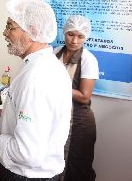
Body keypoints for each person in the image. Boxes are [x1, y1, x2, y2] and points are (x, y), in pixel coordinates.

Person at [0, 0, 72, 180]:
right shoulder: (48, 65)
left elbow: (27, 153)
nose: (4, 33)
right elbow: (40, 119)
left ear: (32, 31)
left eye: (10, 27)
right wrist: (3, 114)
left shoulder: (35, 78)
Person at [54, 15, 99, 181]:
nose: (74, 40)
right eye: (70, 34)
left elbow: (84, 97)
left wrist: (56, 87)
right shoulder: (56, 53)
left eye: (80, 36)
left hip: (79, 122)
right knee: (57, 164)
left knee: (76, 167)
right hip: (58, 118)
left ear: (85, 37)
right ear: (64, 33)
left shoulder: (88, 60)